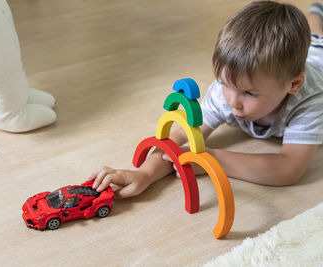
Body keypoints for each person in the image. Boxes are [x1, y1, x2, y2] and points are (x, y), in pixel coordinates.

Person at [89, 1, 323, 199]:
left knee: (316, 43)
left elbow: (288, 169)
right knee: (312, 38)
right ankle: (316, 12)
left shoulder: (310, 102)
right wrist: (145, 174)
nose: (232, 101)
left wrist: (213, 158)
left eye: (249, 94)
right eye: (224, 83)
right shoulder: (226, 93)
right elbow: (181, 137)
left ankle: (315, 16)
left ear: (293, 85)